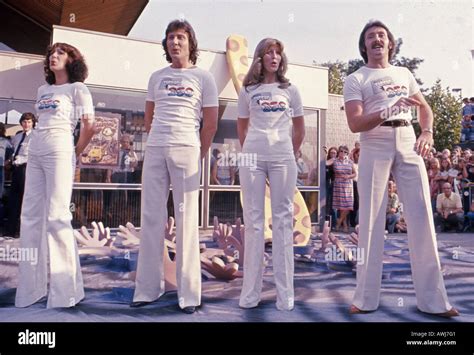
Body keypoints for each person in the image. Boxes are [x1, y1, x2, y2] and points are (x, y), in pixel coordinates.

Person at [343, 20, 457, 317]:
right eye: (371, 36)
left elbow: (424, 107)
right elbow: (355, 122)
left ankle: (435, 302)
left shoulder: (404, 73)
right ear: (364, 45)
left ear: (390, 43)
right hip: (374, 141)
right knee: (370, 220)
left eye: (382, 35)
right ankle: (365, 299)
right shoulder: (356, 78)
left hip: (408, 139)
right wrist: (386, 111)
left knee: (421, 217)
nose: (377, 39)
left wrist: (428, 132)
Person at [131, 20, 218, 314]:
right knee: (152, 217)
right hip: (156, 148)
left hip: (187, 148)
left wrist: (199, 153)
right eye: (170, 38)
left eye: (180, 37)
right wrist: (159, 140)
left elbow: (211, 123)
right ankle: (147, 289)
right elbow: (149, 117)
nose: (174, 42)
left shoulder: (204, 78)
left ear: (190, 42)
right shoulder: (156, 77)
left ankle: (189, 295)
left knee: (186, 222)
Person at [15, 43, 95, 308]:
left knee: (57, 216)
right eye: (51, 53)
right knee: (30, 216)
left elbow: (89, 125)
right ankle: (30, 290)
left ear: (72, 59)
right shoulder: (43, 90)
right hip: (36, 149)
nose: (54, 56)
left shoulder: (78, 89)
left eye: (61, 53)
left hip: (60, 149)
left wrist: (75, 151)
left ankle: (66, 293)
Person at [237, 37, 305, 311]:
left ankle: (285, 295)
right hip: (252, 156)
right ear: (260, 58)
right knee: (253, 224)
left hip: (283, 158)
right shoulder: (248, 90)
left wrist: (290, 151)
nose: (274, 56)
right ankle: (250, 294)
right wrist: (252, 150)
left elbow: (299, 128)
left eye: (278, 52)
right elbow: (242, 127)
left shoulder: (291, 90)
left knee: (283, 223)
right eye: (269, 52)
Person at [5, 113, 36, 238]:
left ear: (33, 123)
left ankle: (25, 231)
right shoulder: (17, 137)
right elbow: (13, 152)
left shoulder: (36, 136)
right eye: (24, 122)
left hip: (27, 169)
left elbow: (34, 154)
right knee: (14, 200)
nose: (26, 124)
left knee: (26, 201)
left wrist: (21, 160)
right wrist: (10, 161)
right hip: (16, 171)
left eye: (29, 122)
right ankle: (11, 230)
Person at [332, 145, 356, 232]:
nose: (343, 153)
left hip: (348, 185)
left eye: (345, 152)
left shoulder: (350, 162)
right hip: (339, 184)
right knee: (341, 207)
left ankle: (339, 222)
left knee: (348, 206)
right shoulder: (335, 161)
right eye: (341, 151)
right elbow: (327, 164)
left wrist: (349, 176)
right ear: (339, 152)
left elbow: (355, 174)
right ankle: (345, 225)